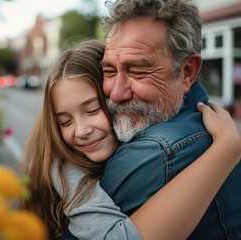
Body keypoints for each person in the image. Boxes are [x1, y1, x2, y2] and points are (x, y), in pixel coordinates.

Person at [22, 39, 241, 239]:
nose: (81, 130)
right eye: (65, 122)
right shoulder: (66, 172)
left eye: (92, 110)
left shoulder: (137, 138)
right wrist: (226, 146)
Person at [87, 0, 240, 239]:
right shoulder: (209, 126)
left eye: (138, 71)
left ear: (187, 72)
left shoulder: (155, 152)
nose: (116, 93)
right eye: (108, 71)